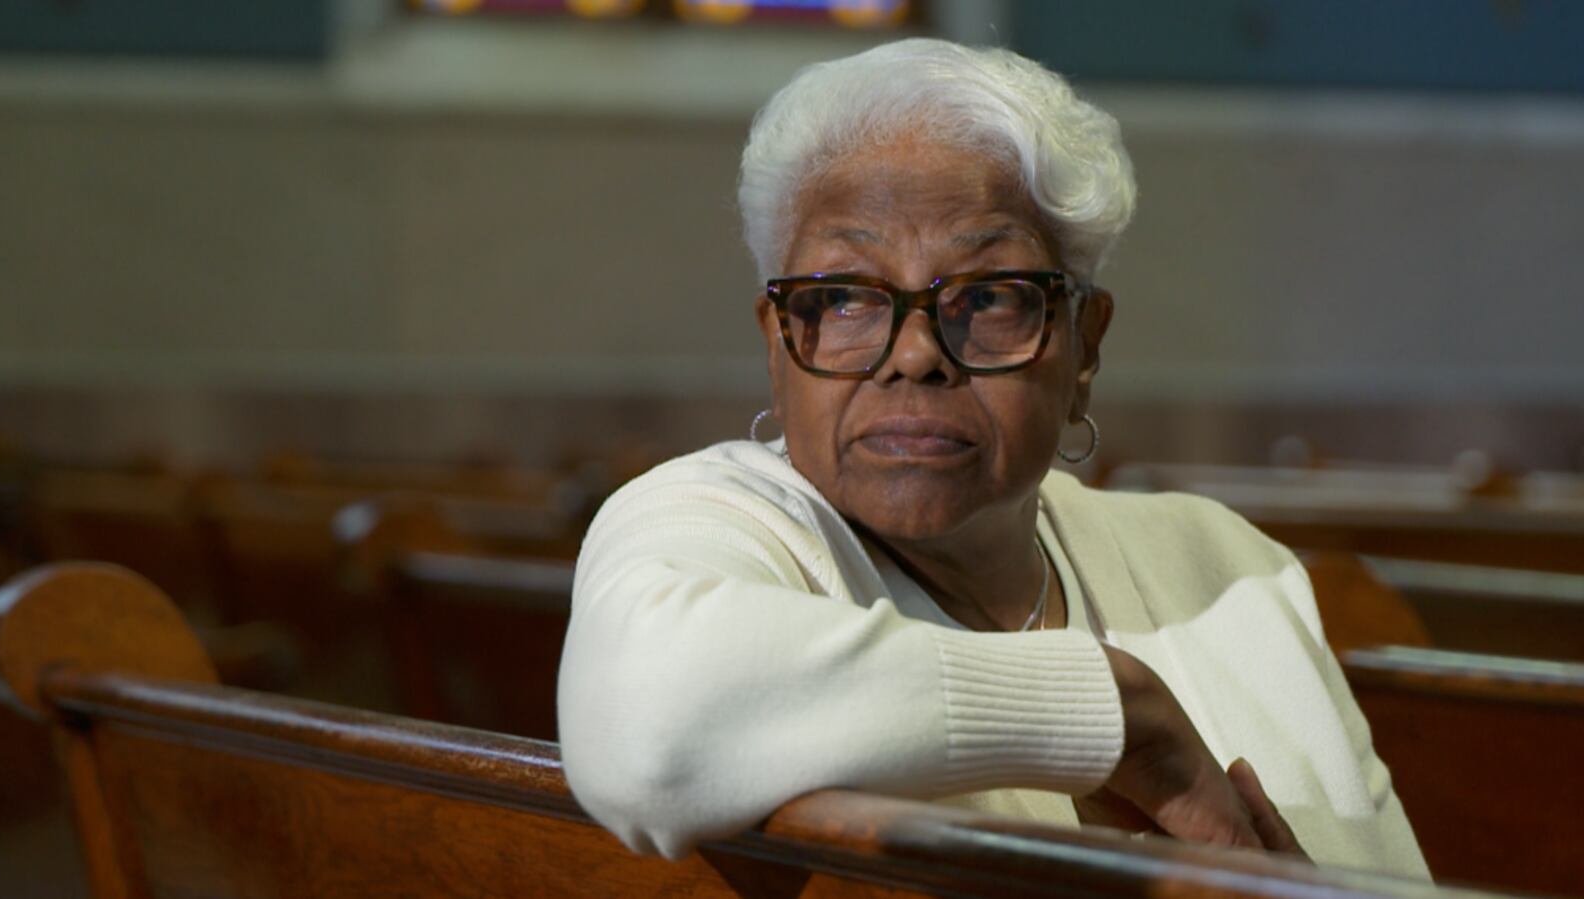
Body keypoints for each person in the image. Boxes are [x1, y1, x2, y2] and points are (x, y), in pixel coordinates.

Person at [557, 37, 1428, 878]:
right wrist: (1119, 714)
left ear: (1082, 348)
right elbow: (648, 725)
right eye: (845, 298)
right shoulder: (715, 522)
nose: (915, 353)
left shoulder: (1225, 566)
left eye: (988, 296)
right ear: (778, 347)